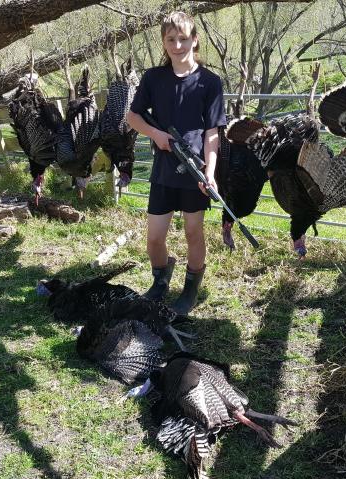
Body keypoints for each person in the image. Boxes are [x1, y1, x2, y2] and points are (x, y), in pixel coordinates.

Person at [126, 11, 226, 316]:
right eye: (171, 39)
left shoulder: (210, 82)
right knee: (155, 238)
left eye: (184, 38)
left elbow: (212, 133)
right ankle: (160, 280)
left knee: (193, 232)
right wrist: (156, 134)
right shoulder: (153, 78)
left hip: (194, 170)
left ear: (194, 40)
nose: (178, 45)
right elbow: (132, 117)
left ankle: (191, 287)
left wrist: (209, 172)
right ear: (164, 42)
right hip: (164, 169)